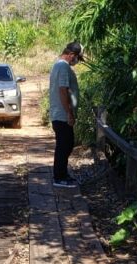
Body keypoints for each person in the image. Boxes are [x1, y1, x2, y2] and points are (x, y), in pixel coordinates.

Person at [49, 41, 83, 187]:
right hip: (62, 114)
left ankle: (63, 174)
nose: (77, 61)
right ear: (71, 55)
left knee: (67, 144)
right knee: (64, 145)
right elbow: (63, 90)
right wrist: (69, 113)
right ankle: (59, 177)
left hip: (61, 113)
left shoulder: (59, 65)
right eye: (78, 58)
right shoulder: (63, 66)